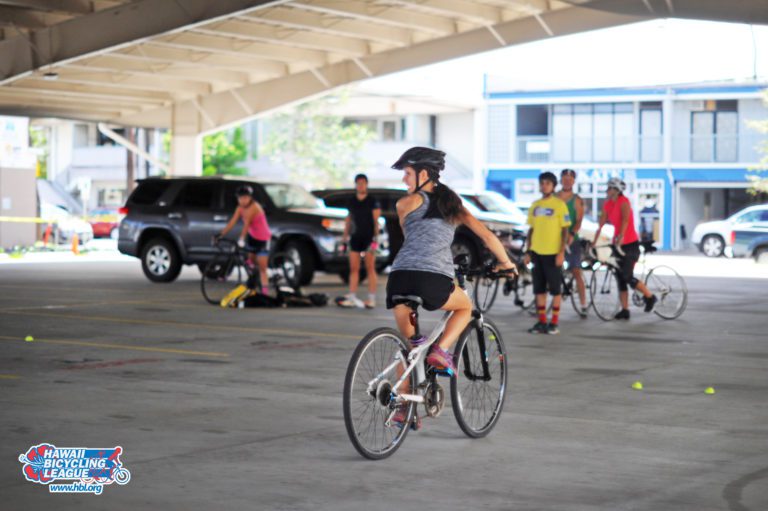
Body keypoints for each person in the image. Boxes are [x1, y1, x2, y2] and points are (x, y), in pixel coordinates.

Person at [387, 147, 516, 428]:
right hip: (431, 277)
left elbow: (416, 238)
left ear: (424, 174)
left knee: (411, 349)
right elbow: (485, 235)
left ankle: (403, 408)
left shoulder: (404, 204)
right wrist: (507, 264)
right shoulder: (452, 204)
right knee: (465, 306)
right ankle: (442, 349)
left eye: (407, 174)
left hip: (398, 278)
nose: (404, 180)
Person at [592, 177, 657, 319]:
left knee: (627, 275)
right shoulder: (608, 204)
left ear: (616, 190)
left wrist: (620, 236)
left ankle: (650, 296)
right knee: (620, 277)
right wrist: (594, 242)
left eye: (609, 188)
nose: (607, 191)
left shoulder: (624, 202)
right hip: (618, 244)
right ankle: (625, 310)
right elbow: (601, 225)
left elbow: (626, 220)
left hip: (630, 244)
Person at [525, 172, 571, 335]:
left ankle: (554, 322)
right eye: (542, 183)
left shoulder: (559, 205)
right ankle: (542, 322)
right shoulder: (535, 205)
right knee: (539, 289)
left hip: (553, 253)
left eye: (548, 183)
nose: (544, 185)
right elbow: (531, 230)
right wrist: (528, 251)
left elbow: (565, 230)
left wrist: (561, 252)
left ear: (553, 186)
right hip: (537, 252)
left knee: (555, 289)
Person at [218, 185, 272, 295]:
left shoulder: (254, 207)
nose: (242, 200)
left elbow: (246, 225)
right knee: (250, 261)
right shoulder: (239, 208)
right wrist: (221, 234)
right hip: (253, 237)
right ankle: (253, 279)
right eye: (240, 198)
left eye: (245, 198)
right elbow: (232, 222)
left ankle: (265, 292)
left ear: (250, 198)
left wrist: (241, 239)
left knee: (262, 268)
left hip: (263, 238)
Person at [338, 174, 381, 309]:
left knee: (370, 267)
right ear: (356, 185)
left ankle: (371, 298)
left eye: (363, 183)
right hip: (355, 237)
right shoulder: (352, 201)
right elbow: (348, 221)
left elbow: (376, 222)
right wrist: (344, 238)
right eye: (358, 183)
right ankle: (351, 296)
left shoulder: (372, 201)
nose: (361, 185)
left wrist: (376, 239)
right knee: (354, 268)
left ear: (367, 184)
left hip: (369, 238)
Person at [557, 168, 588, 317]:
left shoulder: (577, 199)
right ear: (561, 179)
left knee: (576, 270)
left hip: (571, 240)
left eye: (570, 178)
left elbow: (579, 220)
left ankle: (583, 304)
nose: (567, 180)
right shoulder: (555, 197)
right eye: (565, 178)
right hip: (554, 239)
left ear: (574, 181)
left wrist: (572, 233)